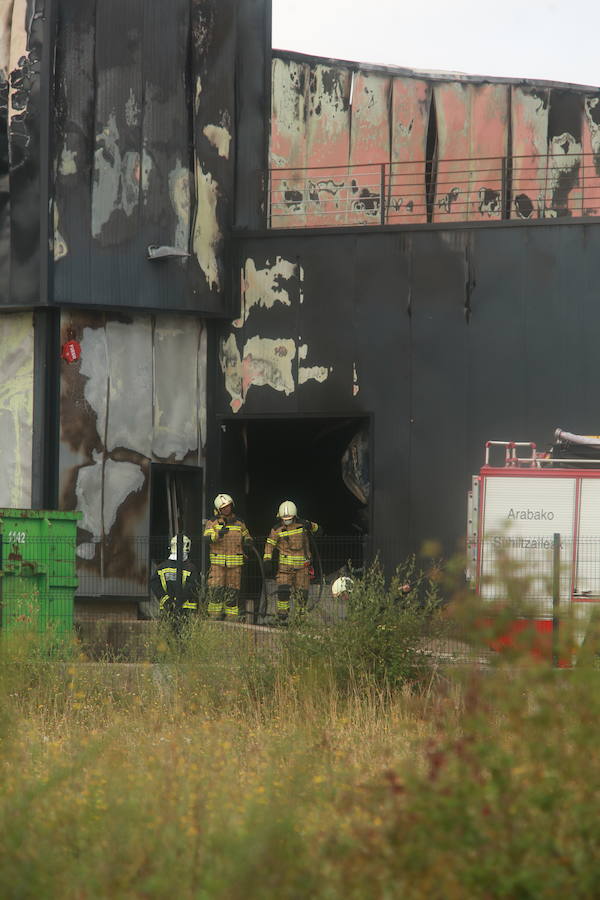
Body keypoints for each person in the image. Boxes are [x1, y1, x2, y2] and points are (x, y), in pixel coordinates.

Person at [263, 500, 320, 622]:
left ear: (294, 516)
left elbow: (319, 530)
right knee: (283, 591)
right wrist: (267, 559)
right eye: (284, 518)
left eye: (289, 518)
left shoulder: (303, 525)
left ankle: (301, 617)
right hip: (285, 568)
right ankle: (282, 615)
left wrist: (311, 527)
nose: (287, 520)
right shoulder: (276, 529)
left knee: (302, 594)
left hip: (303, 567)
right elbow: (269, 545)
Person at [203, 493, 253, 620]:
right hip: (218, 564)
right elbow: (206, 538)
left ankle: (231, 617)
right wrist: (218, 534)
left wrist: (248, 541)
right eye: (223, 507)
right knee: (216, 589)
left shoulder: (239, 522)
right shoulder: (212, 522)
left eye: (228, 506)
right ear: (219, 509)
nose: (227, 509)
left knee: (233, 590)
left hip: (235, 564)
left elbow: (247, 535)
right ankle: (214, 616)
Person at [150, 534, 199, 633]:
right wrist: (178, 600)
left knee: (167, 638)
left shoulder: (161, 567)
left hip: (167, 609)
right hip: (186, 610)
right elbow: (193, 587)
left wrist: (167, 600)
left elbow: (155, 585)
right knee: (184, 638)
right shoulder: (190, 568)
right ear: (186, 546)